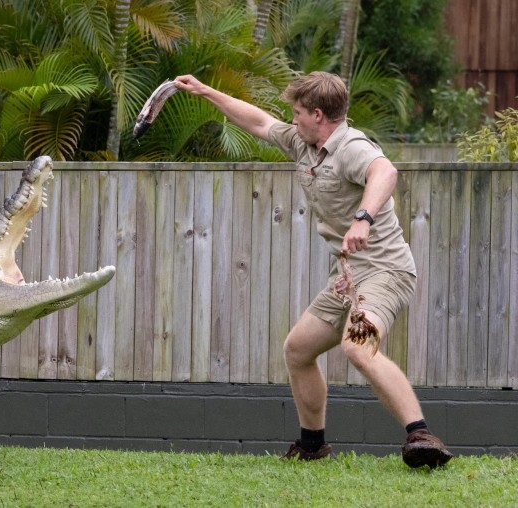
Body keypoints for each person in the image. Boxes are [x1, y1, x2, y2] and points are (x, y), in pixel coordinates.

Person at [173, 72, 453, 469]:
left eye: (298, 112)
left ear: (318, 115)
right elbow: (258, 121)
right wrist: (204, 91)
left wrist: (363, 219)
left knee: (358, 345)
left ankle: (421, 436)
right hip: (349, 275)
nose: (293, 118)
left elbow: (385, 172)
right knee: (298, 349)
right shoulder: (303, 143)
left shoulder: (351, 147)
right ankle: (312, 445)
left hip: (385, 270)